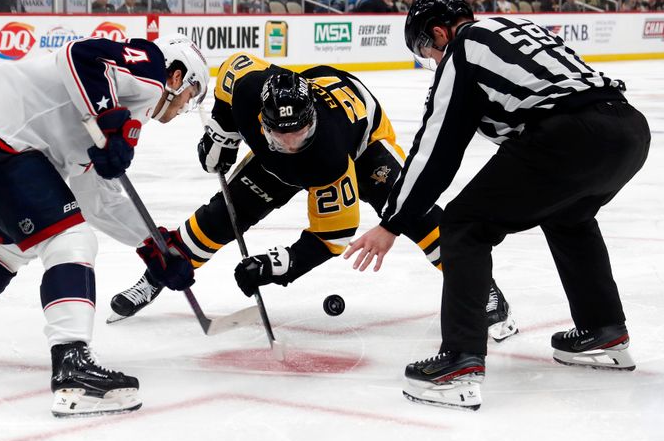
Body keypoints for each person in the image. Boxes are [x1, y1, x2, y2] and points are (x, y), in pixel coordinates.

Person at [344, 0, 651, 410]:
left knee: (462, 226)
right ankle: (603, 329)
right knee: (570, 214)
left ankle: (460, 361)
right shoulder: (514, 28)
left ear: (439, 31)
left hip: (572, 135)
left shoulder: (462, 49)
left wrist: (393, 222)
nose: (432, 61)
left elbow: (436, 151)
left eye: (425, 50)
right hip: (629, 128)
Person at [108, 53, 517, 344]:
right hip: (298, 136)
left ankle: (481, 286)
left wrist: (274, 266)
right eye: (279, 133)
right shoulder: (253, 92)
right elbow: (233, 72)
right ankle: (156, 276)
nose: (289, 143)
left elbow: (334, 235)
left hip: (362, 142)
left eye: (298, 132)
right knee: (222, 216)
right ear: (262, 120)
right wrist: (222, 134)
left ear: (312, 120)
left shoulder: (327, 157)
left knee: (414, 212)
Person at [0, 35, 210, 417]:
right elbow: (81, 55)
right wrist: (110, 119)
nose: (186, 105)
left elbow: (97, 199)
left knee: (13, 244)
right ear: (177, 76)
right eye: (191, 94)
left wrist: (153, 245)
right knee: (72, 239)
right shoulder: (150, 67)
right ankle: (74, 368)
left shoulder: (124, 107)